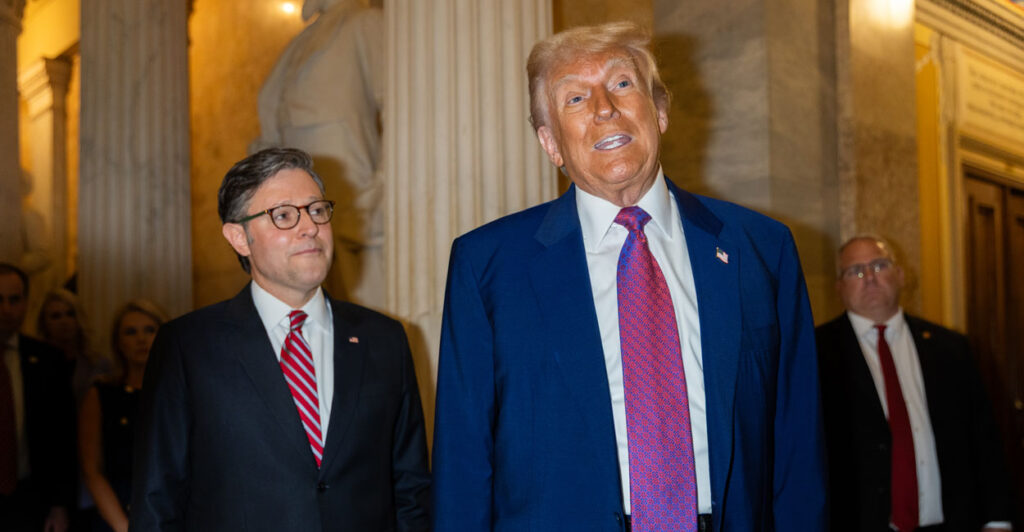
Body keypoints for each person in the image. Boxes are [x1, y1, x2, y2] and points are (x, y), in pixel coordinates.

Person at [432, 22, 825, 532]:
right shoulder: (487, 267)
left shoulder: (760, 249)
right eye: (575, 98)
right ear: (551, 144)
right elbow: (463, 462)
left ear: (659, 112)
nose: (603, 108)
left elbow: (798, 442)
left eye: (621, 84)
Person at [130, 147, 430, 531]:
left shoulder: (384, 339)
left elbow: (411, 489)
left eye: (317, 210)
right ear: (240, 237)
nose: (310, 227)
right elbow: (157, 500)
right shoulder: (188, 347)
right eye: (284, 215)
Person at [816, 236, 1014, 532]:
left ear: (901, 275)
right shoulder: (815, 352)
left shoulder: (951, 347)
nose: (869, 277)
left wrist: (998, 519)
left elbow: (983, 436)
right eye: (854, 271)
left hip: (951, 522)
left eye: (879, 265)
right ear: (839, 287)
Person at [255, 0, 385, 307]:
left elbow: (398, 104)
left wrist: (384, 184)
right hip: (295, 197)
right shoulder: (299, 42)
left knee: (367, 306)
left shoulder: (364, 23)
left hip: (355, 193)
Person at [0, 263, 76, 532]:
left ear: (26, 303)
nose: (6, 309)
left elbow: (62, 437)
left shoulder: (47, 359)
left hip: (30, 499)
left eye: (14, 299)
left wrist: (59, 504)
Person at [79, 300, 166, 532]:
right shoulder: (101, 394)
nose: (141, 339)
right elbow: (92, 470)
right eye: (131, 332)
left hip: (176, 512)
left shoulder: (181, 391)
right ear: (118, 343)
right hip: (118, 514)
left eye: (150, 330)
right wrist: (124, 527)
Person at [36, 289, 110, 405]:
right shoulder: (37, 364)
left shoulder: (98, 364)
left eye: (70, 314)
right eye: (56, 316)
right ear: (44, 323)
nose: (64, 321)